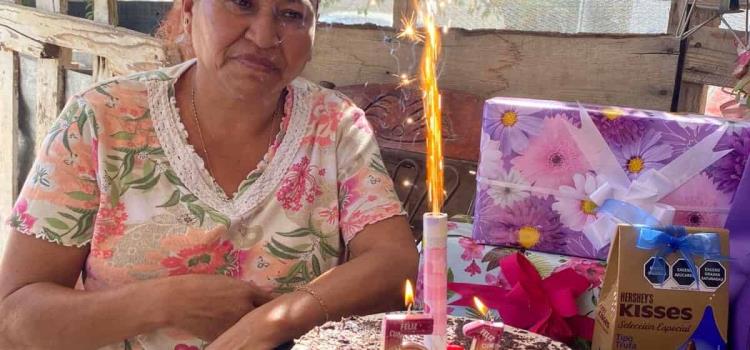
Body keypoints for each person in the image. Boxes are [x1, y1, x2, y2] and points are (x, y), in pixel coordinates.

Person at [0, 0, 418, 348]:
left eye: (291, 14)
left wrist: (275, 321)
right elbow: (13, 316)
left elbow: (394, 262)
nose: (263, 34)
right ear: (188, 10)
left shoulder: (334, 125)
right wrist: (166, 301)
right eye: (241, 2)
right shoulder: (100, 120)